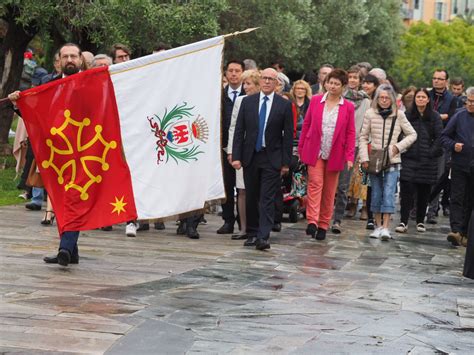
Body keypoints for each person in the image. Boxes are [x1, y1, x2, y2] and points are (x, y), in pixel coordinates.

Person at [8, 43, 85, 266]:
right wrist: (17, 103)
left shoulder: (92, 83)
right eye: (65, 56)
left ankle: (65, 249)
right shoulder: (48, 84)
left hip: (84, 152)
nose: (70, 59)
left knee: (73, 200)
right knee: (62, 201)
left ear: (80, 59)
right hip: (56, 154)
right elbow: (35, 115)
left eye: (73, 56)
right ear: (58, 61)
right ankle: (72, 250)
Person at [232, 68, 293, 250]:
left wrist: (285, 162)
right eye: (264, 78)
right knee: (251, 196)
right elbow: (239, 131)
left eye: (271, 79)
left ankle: (263, 236)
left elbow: (288, 135)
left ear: (276, 83)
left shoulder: (283, 105)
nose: (267, 82)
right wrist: (236, 156)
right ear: (260, 81)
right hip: (250, 156)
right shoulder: (247, 102)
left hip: (271, 157)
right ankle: (251, 233)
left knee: (267, 198)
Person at [298, 69, 356, 240]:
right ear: (326, 83)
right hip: (315, 150)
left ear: (343, 87)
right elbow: (307, 124)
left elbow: (351, 133)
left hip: (335, 152)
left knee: (330, 190)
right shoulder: (316, 101)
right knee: (315, 184)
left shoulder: (348, 107)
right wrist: (301, 149)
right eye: (330, 82)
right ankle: (312, 221)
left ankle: (324, 224)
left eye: (337, 84)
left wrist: (350, 157)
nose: (333, 86)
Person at [359, 84, 417, 241]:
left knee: (389, 192)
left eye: (387, 98)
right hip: (374, 159)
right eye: (381, 97)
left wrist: (397, 147)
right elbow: (363, 137)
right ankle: (377, 226)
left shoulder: (399, 114)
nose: (384, 100)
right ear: (377, 98)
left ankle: (385, 227)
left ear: (392, 99)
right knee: (376, 191)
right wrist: (364, 157)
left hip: (392, 159)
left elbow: (412, 134)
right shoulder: (370, 113)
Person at [395, 88, 443, 234]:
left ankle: (420, 221)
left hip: (428, 161)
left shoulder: (434, 117)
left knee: (424, 192)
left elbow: (439, 137)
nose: (420, 99)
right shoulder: (407, 115)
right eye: (418, 97)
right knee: (406, 191)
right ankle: (403, 221)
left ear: (428, 99)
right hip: (409, 159)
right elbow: (400, 133)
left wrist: (431, 153)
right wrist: (404, 149)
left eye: (423, 97)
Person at [332, 66, 371, 233]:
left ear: (360, 81)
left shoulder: (366, 101)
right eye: (351, 77)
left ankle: (338, 218)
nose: (353, 80)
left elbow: (366, 124)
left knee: (344, 183)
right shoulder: (338, 97)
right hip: (334, 143)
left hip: (354, 144)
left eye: (356, 78)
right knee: (330, 182)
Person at [227, 70, 261, 240]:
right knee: (241, 190)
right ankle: (243, 227)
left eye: (248, 84)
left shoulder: (264, 101)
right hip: (242, 152)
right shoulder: (240, 101)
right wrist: (232, 151)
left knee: (258, 191)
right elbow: (234, 127)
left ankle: (258, 227)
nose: (245, 87)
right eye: (243, 84)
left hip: (259, 152)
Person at [441, 87, 474, 247]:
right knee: (457, 197)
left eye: (473, 102)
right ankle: (456, 230)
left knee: (470, 199)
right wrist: (454, 145)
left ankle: (466, 232)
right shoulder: (459, 115)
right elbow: (444, 136)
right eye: (469, 101)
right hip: (460, 164)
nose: (470, 104)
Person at [426, 68, 458, 224]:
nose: (436, 81)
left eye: (439, 78)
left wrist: (435, 115)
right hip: (424, 138)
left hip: (442, 140)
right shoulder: (426, 94)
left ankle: (432, 210)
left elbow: (452, 117)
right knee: (419, 174)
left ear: (446, 81)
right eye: (434, 78)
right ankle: (416, 207)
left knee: (438, 177)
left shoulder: (452, 98)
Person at [218, 60, 246, 235]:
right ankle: (228, 220)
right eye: (231, 71)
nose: (234, 74)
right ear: (226, 73)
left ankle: (244, 221)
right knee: (226, 185)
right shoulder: (219, 95)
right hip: (223, 147)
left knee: (243, 186)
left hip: (243, 148)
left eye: (237, 71)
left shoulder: (249, 93)